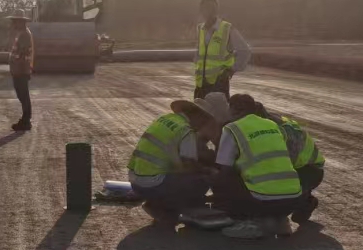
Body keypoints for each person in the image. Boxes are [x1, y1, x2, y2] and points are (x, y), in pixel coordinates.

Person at [212, 96, 303, 239]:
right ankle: (280, 220)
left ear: (232, 109)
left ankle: (248, 222)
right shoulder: (272, 125)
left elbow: (224, 167)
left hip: (263, 201)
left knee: (222, 177)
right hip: (293, 199)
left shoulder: (232, 128)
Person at [128, 92, 231, 214]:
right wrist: (209, 171)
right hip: (153, 186)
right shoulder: (186, 131)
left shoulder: (166, 119)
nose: (201, 126)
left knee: (187, 173)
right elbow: (189, 166)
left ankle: (156, 202)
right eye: (203, 122)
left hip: (136, 184)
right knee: (202, 180)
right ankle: (183, 208)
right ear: (199, 117)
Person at [231, 93, 325, 225]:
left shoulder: (276, 130)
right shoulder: (264, 123)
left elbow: (281, 165)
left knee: (275, 202)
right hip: (299, 167)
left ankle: (304, 201)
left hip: (309, 170)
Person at [194, 0, 251, 99]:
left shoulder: (226, 29)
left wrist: (232, 69)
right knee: (198, 109)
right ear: (201, 10)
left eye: (213, 8)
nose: (210, 11)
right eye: (207, 8)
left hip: (218, 85)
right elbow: (199, 55)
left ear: (217, 10)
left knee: (219, 109)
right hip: (200, 85)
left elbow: (245, 51)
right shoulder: (200, 29)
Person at [8, 14, 34, 131]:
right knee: (21, 95)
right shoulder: (21, 34)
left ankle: (26, 120)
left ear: (22, 22)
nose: (13, 24)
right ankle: (25, 119)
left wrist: (16, 63)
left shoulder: (24, 35)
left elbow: (22, 53)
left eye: (15, 21)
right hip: (19, 69)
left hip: (21, 69)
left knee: (23, 95)